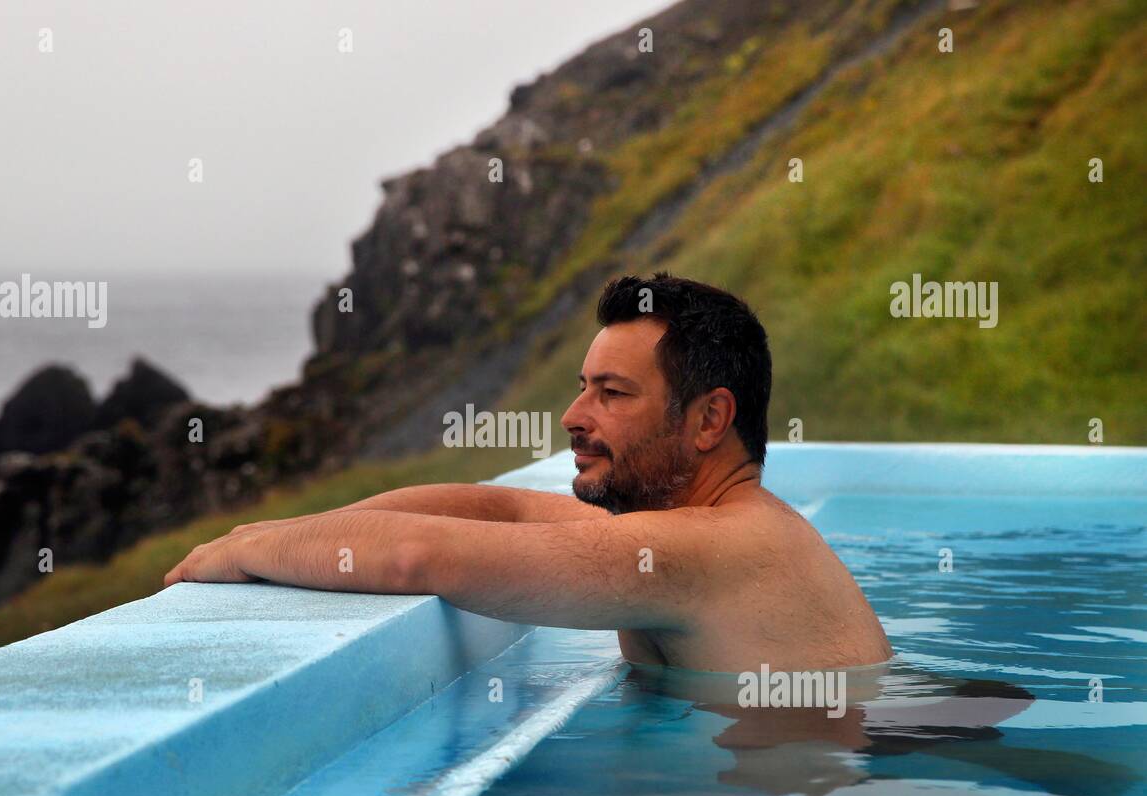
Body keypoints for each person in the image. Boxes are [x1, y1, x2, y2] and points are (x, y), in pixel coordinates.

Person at [165, 273, 892, 672]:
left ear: (709, 420)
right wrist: (283, 530)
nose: (575, 416)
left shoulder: (711, 550)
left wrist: (240, 553)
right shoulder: (683, 534)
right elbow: (495, 512)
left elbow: (422, 555)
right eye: (582, 386)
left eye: (612, 393)